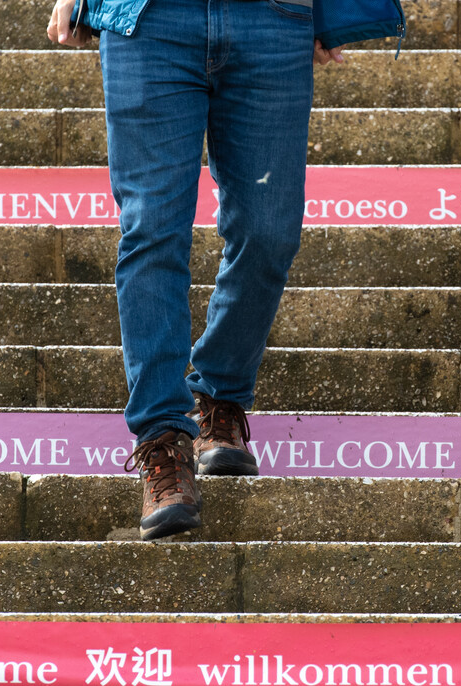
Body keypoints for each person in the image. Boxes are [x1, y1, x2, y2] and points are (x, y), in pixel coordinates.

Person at [47, 0, 346, 540]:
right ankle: (163, 443)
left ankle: (221, 394)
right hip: (150, 18)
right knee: (151, 230)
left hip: (273, 18)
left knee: (269, 231)